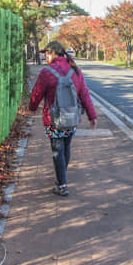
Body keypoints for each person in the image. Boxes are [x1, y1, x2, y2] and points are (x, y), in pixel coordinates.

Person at [29, 41, 97, 197]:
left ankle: (62, 184)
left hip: (53, 119)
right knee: (65, 148)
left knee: (57, 150)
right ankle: (62, 178)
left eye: (46, 53)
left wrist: (32, 108)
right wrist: (91, 116)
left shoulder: (47, 72)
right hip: (72, 119)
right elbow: (84, 94)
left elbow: (37, 93)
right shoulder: (75, 71)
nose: (45, 57)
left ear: (53, 53)